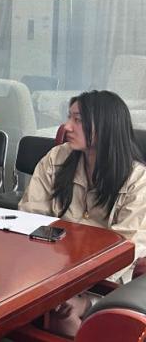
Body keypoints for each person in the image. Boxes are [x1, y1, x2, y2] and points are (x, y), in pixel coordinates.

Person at [19, 90, 146, 336]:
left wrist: (76, 292)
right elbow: (31, 216)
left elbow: (125, 249)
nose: (67, 126)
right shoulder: (57, 158)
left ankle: (82, 308)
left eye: (77, 120)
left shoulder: (138, 181)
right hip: (52, 269)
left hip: (107, 281)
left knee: (62, 314)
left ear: (106, 126)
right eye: (69, 117)